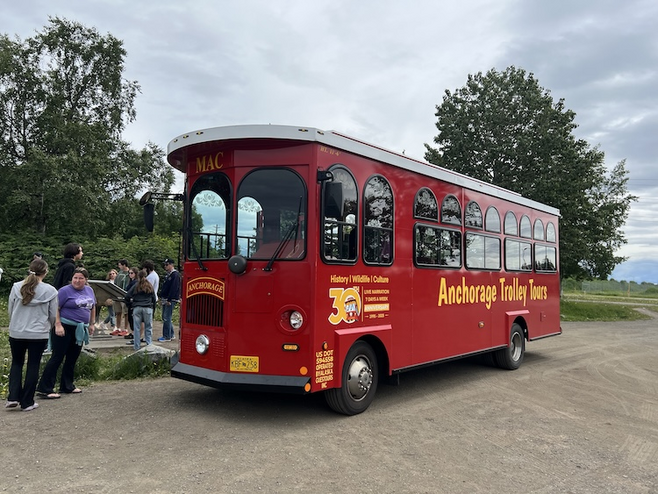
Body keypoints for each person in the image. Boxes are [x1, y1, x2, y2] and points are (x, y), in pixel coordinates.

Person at [6, 259, 58, 411]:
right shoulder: (51, 291)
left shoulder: (17, 287)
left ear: (30, 270)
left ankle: (13, 397)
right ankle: (27, 401)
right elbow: (53, 314)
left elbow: (10, 309)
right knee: (33, 365)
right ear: (45, 272)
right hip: (38, 333)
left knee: (16, 363)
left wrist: (15, 322)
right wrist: (49, 326)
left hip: (17, 331)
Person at [37, 268, 96, 399]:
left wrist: (92, 324)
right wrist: (58, 325)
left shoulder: (89, 290)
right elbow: (56, 308)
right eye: (75, 278)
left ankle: (67, 385)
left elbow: (92, 307)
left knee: (72, 357)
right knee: (57, 356)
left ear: (86, 280)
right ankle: (45, 387)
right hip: (64, 326)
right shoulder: (64, 291)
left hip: (80, 328)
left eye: (81, 278)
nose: (77, 280)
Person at [125, 270, 156, 351]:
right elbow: (154, 298)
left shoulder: (136, 286)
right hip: (148, 308)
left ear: (138, 276)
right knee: (148, 327)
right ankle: (149, 346)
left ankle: (136, 347)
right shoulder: (149, 286)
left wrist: (130, 305)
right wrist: (153, 310)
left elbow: (127, 296)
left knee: (137, 328)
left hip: (137, 307)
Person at [158, 258, 181, 342]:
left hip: (170, 299)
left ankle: (167, 336)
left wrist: (169, 299)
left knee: (167, 317)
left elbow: (174, 288)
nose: (165, 266)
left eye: (167, 265)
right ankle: (171, 334)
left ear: (171, 265)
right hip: (166, 298)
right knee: (165, 316)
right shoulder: (168, 275)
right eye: (165, 265)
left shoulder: (175, 275)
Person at [113, 260, 131, 333]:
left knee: (126, 312)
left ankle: (125, 328)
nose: (119, 266)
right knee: (118, 312)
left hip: (125, 295)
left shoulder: (129, 273)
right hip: (117, 295)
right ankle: (118, 327)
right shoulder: (119, 273)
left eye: (120, 265)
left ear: (124, 265)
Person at [123, 267, 139, 339]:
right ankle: (132, 332)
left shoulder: (136, 282)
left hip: (133, 302)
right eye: (129, 273)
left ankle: (134, 333)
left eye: (132, 273)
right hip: (129, 301)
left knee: (132, 318)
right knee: (130, 318)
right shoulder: (130, 281)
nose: (130, 274)